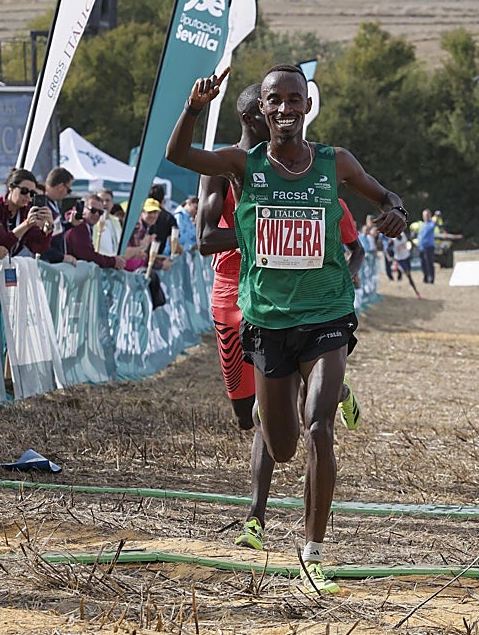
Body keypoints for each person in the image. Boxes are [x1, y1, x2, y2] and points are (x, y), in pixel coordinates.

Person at [167, 64, 407, 594]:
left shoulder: (334, 162)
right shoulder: (241, 164)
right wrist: (193, 108)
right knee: (280, 445)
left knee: (320, 425)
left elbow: (386, 196)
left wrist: (395, 211)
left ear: (306, 105)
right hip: (267, 321)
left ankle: (313, 552)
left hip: (326, 317)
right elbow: (178, 156)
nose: (284, 109)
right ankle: (274, 476)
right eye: (274, 100)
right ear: (264, 109)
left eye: (293, 100)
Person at [0, 168, 55, 259]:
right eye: (24, 191)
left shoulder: (26, 211)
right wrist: (26, 224)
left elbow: (38, 247)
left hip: (8, 265)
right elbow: (1, 243)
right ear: (11, 187)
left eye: (32, 193)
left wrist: (48, 227)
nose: (27, 196)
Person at [63, 194, 126, 271]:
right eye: (93, 210)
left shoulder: (86, 226)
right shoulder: (79, 226)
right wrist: (113, 261)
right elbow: (86, 255)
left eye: (100, 212)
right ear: (83, 208)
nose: (96, 214)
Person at [38, 167, 74, 264]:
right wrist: (61, 257)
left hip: (53, 263)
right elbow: (40, 241)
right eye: (68, 190)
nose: (67, 194)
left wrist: (71, 224)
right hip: (46, 264)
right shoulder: (42, 206)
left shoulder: (53, 204)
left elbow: (55, 231)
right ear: (61, 187)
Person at [391, 230, 421, 297]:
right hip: (400, 259)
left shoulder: (404, 235)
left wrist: (412, 250)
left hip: (406, 257)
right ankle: (416, 292)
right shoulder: (393, 241)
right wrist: (391, 257)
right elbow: (387, 249)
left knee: (409, 273)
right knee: (408, 275)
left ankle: (400, 271)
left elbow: (411, 241)